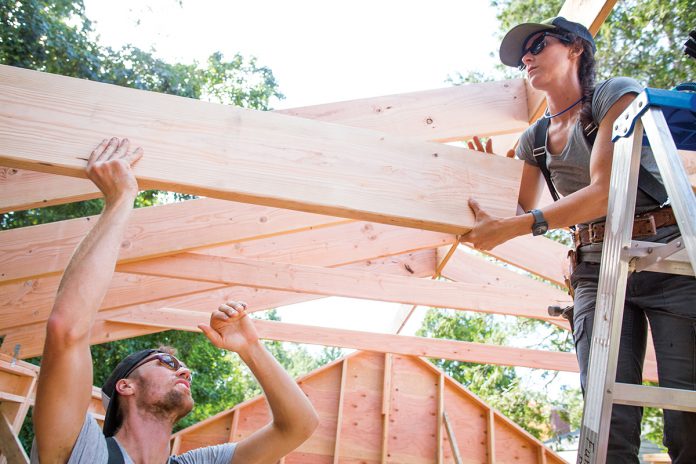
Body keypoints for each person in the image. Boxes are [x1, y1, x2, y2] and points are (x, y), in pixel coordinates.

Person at [462, 17, 696, 464]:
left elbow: (606, 191)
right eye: (521, 57)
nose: (526, 57)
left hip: (663, 253)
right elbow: (516, 213)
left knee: (687, 413)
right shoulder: (533, 138)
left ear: (575, 49)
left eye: (536, 44)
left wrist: (517, 225)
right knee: (608, 422)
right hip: (595, 267)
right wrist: (488, 181)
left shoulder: (615, 94)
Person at [31, 137, 319, 463]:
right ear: (125, 386)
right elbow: (66, 329)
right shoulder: (84, 450)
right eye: (168, 363)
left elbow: (298, 426)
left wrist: (250, 348)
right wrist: (121, 199)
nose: (184, 371)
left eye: (179, 366)